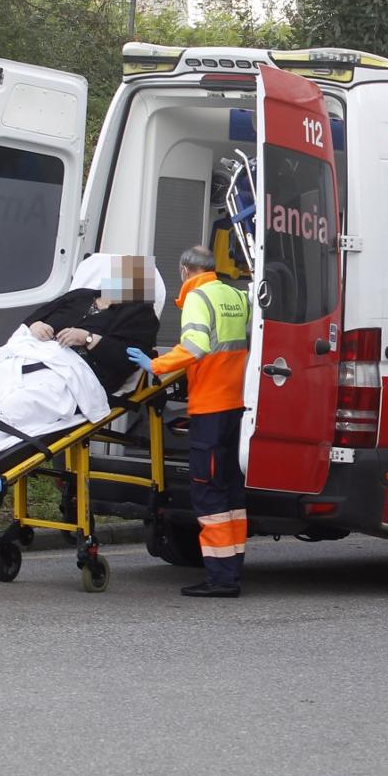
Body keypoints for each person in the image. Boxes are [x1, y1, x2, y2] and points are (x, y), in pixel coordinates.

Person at [127, 245, 251, 598]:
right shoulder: (235, 296)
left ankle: (219, 578)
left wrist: (156, 365)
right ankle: (231, 569)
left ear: (185, 270)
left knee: (208, 492)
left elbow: (195, 346)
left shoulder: (198, 297)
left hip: (210, 407)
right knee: (230, 492)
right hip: (236, 406)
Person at [24, 253, 160, 393]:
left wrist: (87, 338)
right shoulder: (80, 295)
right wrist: (36, 325)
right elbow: (32, 319)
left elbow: (127, 360)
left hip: (78, 376)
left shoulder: (141, 314)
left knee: (30, 395)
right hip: (34, 357)